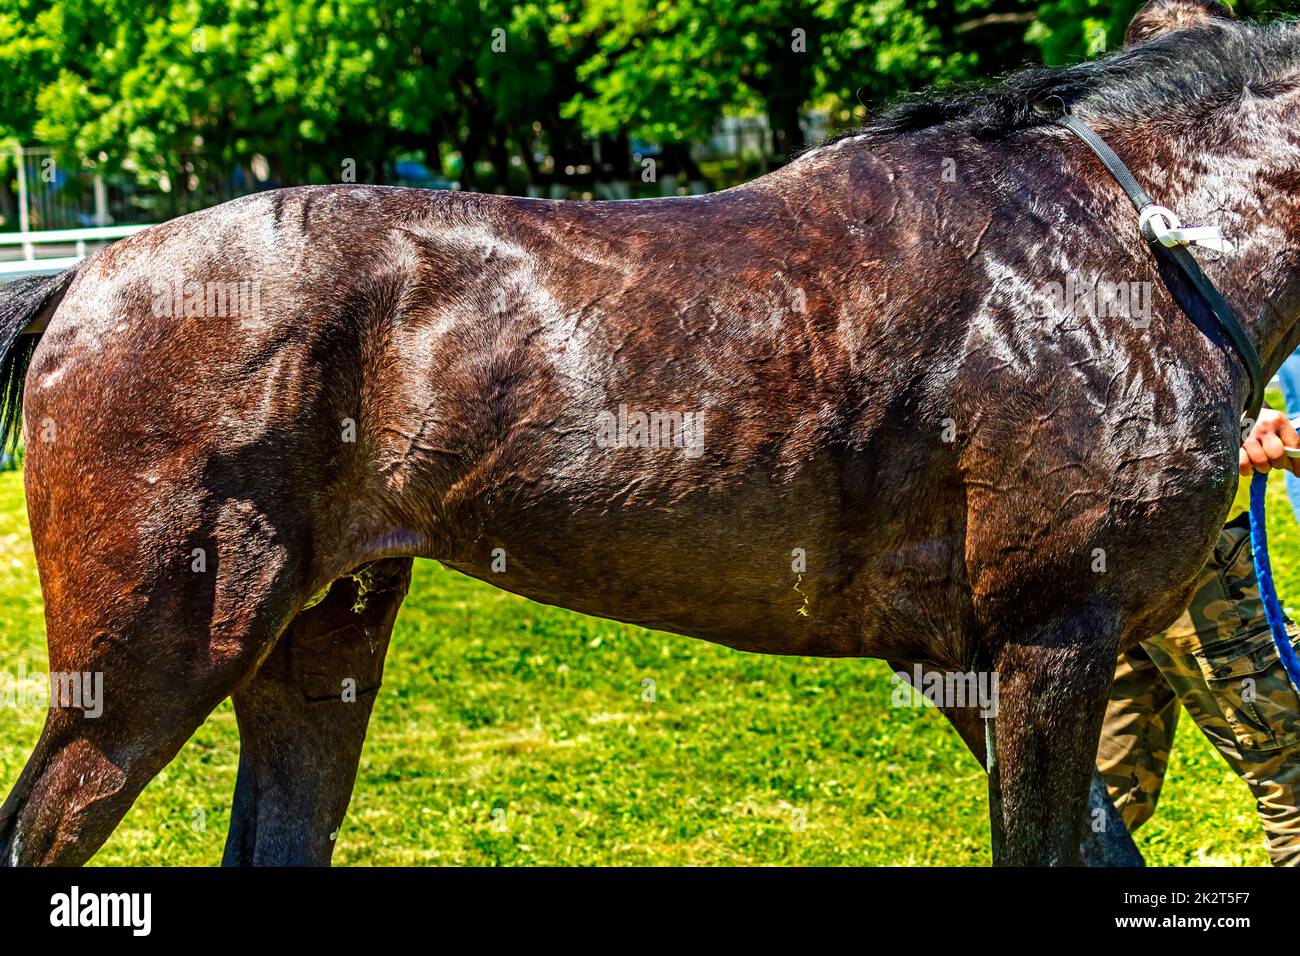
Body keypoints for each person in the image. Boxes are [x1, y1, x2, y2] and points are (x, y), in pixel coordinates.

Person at [1097, 407, 1300, 865]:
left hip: (1088, 543)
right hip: (1169, 529)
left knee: (1096, 803)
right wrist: (1233, 414)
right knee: (1293, 775)